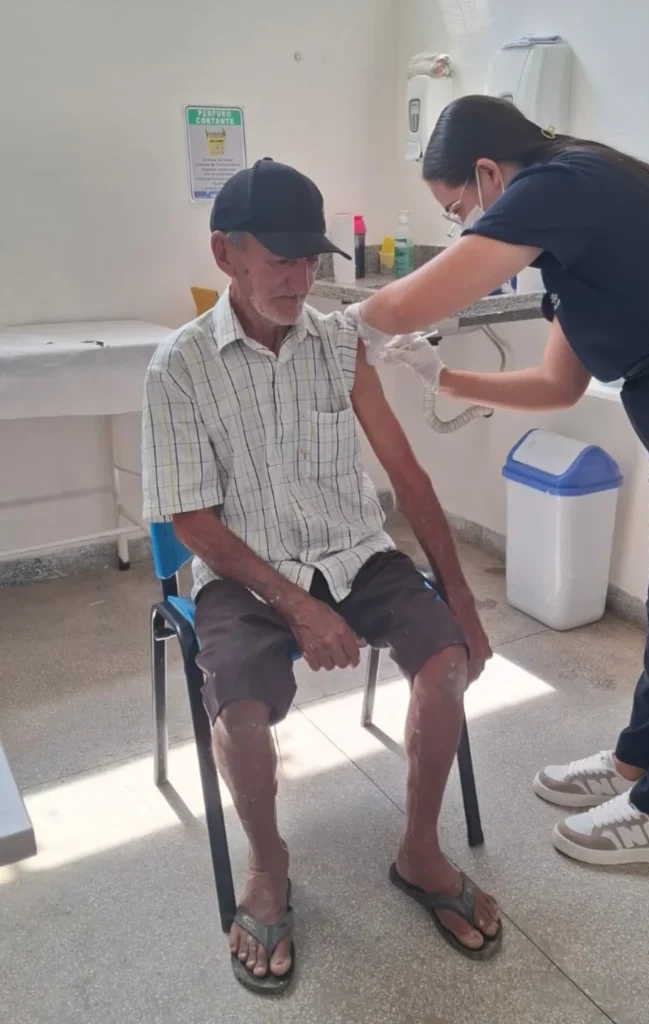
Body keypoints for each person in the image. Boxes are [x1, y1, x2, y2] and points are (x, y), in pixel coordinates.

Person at [344, 96, 649, 869]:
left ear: (488, 173)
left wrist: (341, 331)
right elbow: (556, 385)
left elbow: (419, 295)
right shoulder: (570, 237)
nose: (463, 228)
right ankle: (636, 761)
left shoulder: (561, 184)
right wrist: (443, 377)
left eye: (458, 211)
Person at [142, 158, 500, 995]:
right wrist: (297, 606)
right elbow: (192, 523)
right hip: (244, 574)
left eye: (311, 260)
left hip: (355, 553)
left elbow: (406, 475)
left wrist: (459, 596)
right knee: (239, 706)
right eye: (280, 261)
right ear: (226, 253)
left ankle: (419, 851)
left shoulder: (340, 345)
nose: (301, 281)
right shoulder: (179, 368)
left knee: (448, 661)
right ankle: (268, 867)